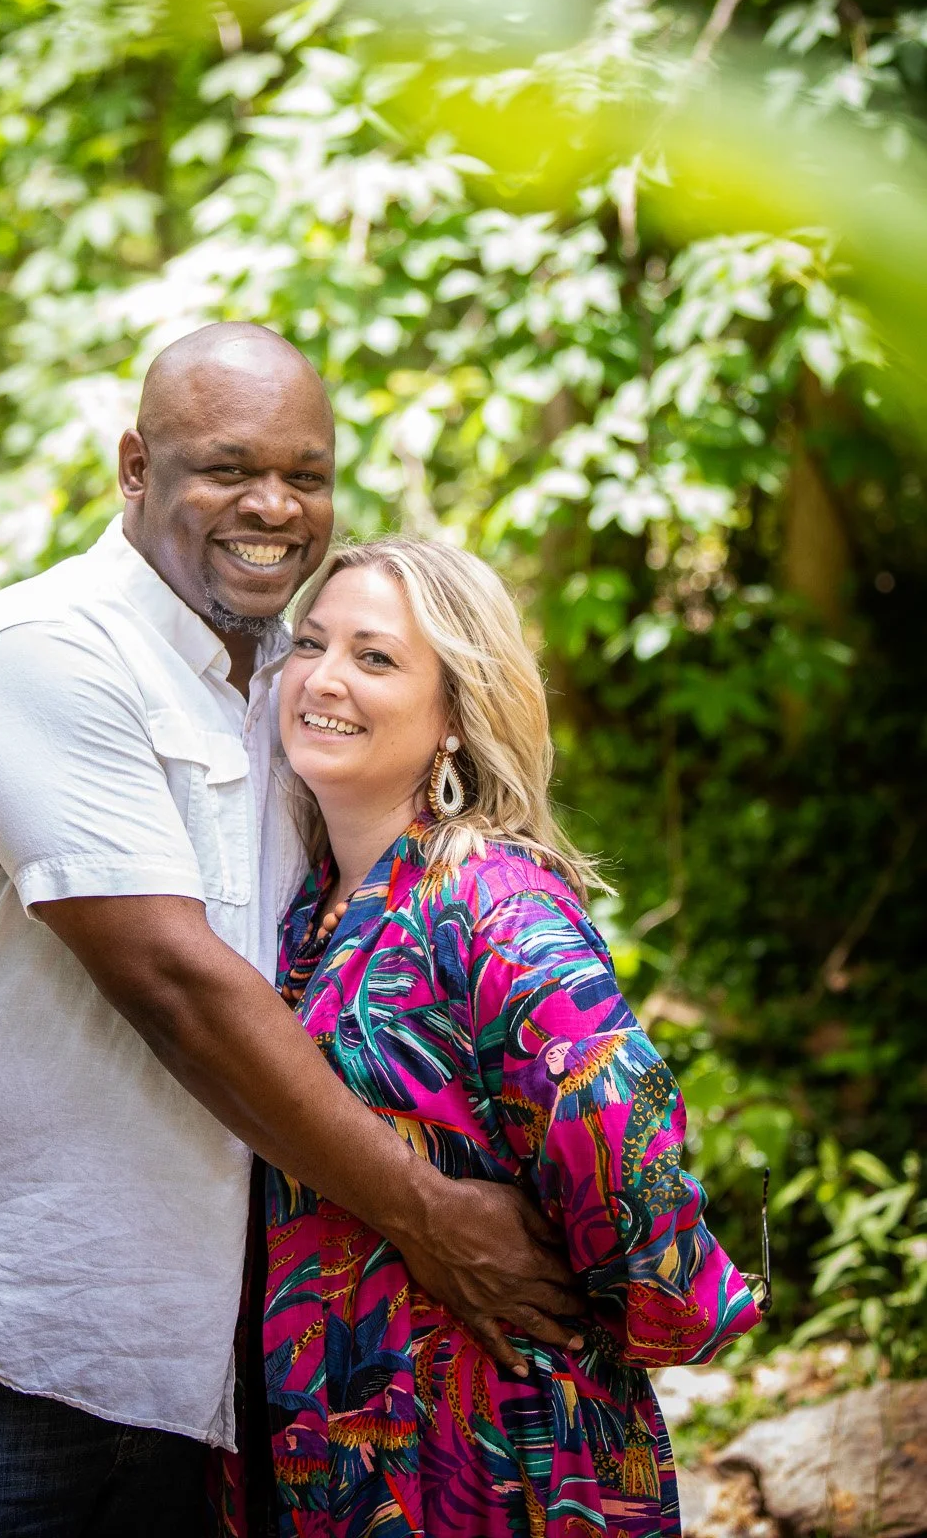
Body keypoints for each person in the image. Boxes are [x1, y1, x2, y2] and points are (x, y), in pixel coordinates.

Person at [0, 325, 583, 1538]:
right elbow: (180, 985)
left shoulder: (293, 680)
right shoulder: (50, 653)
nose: (274, 505)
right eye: (229, 467)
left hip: (200, 1371)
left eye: (306, 474)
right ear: (136, 467)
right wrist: (428, 1213)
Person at [230, 535, 761, 1538]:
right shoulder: (302, 907)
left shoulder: (492, 902)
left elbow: (616, 1122)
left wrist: (638, 1301)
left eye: (374, 656)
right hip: (326, 1438)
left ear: (454, 716)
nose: (323, 677)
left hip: (487, 1440)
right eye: (309, 642)